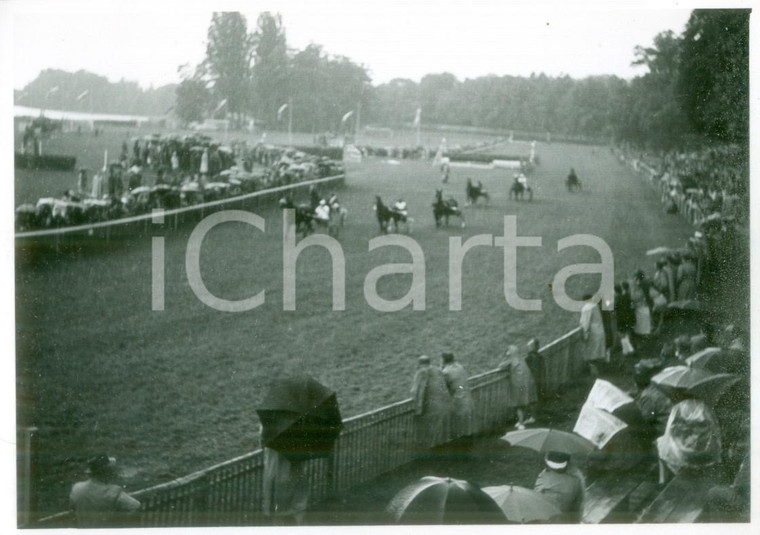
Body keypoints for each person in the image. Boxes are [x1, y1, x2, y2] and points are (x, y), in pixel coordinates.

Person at [656, 399, 722, 484]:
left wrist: (686, 432)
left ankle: (663, 480)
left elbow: (672, 428)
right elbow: (710, 426)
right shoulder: (703, 406)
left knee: (661, 443)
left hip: (687, 450)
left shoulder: (680, 406)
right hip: (701, 445)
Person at [69, 454, 140, 528]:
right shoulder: (113, 491)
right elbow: (135, 506)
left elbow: (72, 509)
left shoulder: (77, 488)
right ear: (107, 472)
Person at [411, 356, 452, 452]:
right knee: (442, 429)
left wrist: (417, 407)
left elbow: (415, 390)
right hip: (445, 403)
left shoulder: (421, 372)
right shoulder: (437, 369)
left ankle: (432, 451)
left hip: (433, 406)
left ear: (420, 363)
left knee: (431, 428)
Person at [533, 451, 585, 523]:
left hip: (548, 519)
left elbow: (536, 499)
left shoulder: (544, 477)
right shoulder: (577, 479)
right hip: (568, 519)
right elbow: (578, 505)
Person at [499, 345, 537, 429]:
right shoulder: (521, 359)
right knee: (529, 400)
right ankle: (532, 418)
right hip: (528, 382)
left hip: (519, 384)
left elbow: (500, 366)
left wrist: (505, 357)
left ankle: (521, 423)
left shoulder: (511, 360)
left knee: (519, 403)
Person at [441, 352, 476, 442]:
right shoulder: (460, 367)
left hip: (458, 402)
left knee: (459, 430)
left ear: (444, 360)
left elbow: (443, 387)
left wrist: (441, 368)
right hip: (467, 398)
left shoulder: (446, 372)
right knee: (468, 428)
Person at [579, 295, 606, 372]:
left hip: (593, 333)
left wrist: (585, 333)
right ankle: (600, 370)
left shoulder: (586, 308)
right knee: (598, 352)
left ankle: (594, 372)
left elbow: (585, 322)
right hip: (599, 330)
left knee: (592, 353)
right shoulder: (595, 305)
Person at [630, 271, 652, 337]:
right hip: (640, 306)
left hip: (641, 306)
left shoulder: (640, 286)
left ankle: (643, 333)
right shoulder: (636, 285)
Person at [524, 338, 545, 406]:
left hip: (531, 381)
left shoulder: (529, 357)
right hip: (538, 380)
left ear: (533, 347)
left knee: (531, 399)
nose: (528, 348)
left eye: (529, 346)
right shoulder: (540, 357)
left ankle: (533, 415)